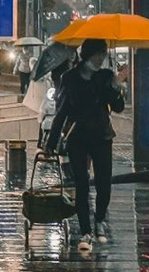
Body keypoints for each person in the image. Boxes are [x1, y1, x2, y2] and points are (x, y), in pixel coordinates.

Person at [45, 38, 128, 253]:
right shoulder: (70, 78)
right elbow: (61, 111)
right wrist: (50, 143)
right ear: (88, 55)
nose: (101, 58)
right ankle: (85, 231)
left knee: (104, 183)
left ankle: (100, 218)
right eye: (98, 54)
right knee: (82, 183)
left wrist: (117, 87)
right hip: (77, 136)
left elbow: (118, 107)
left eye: (103, 54)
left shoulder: (106, 76)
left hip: (102, 135)